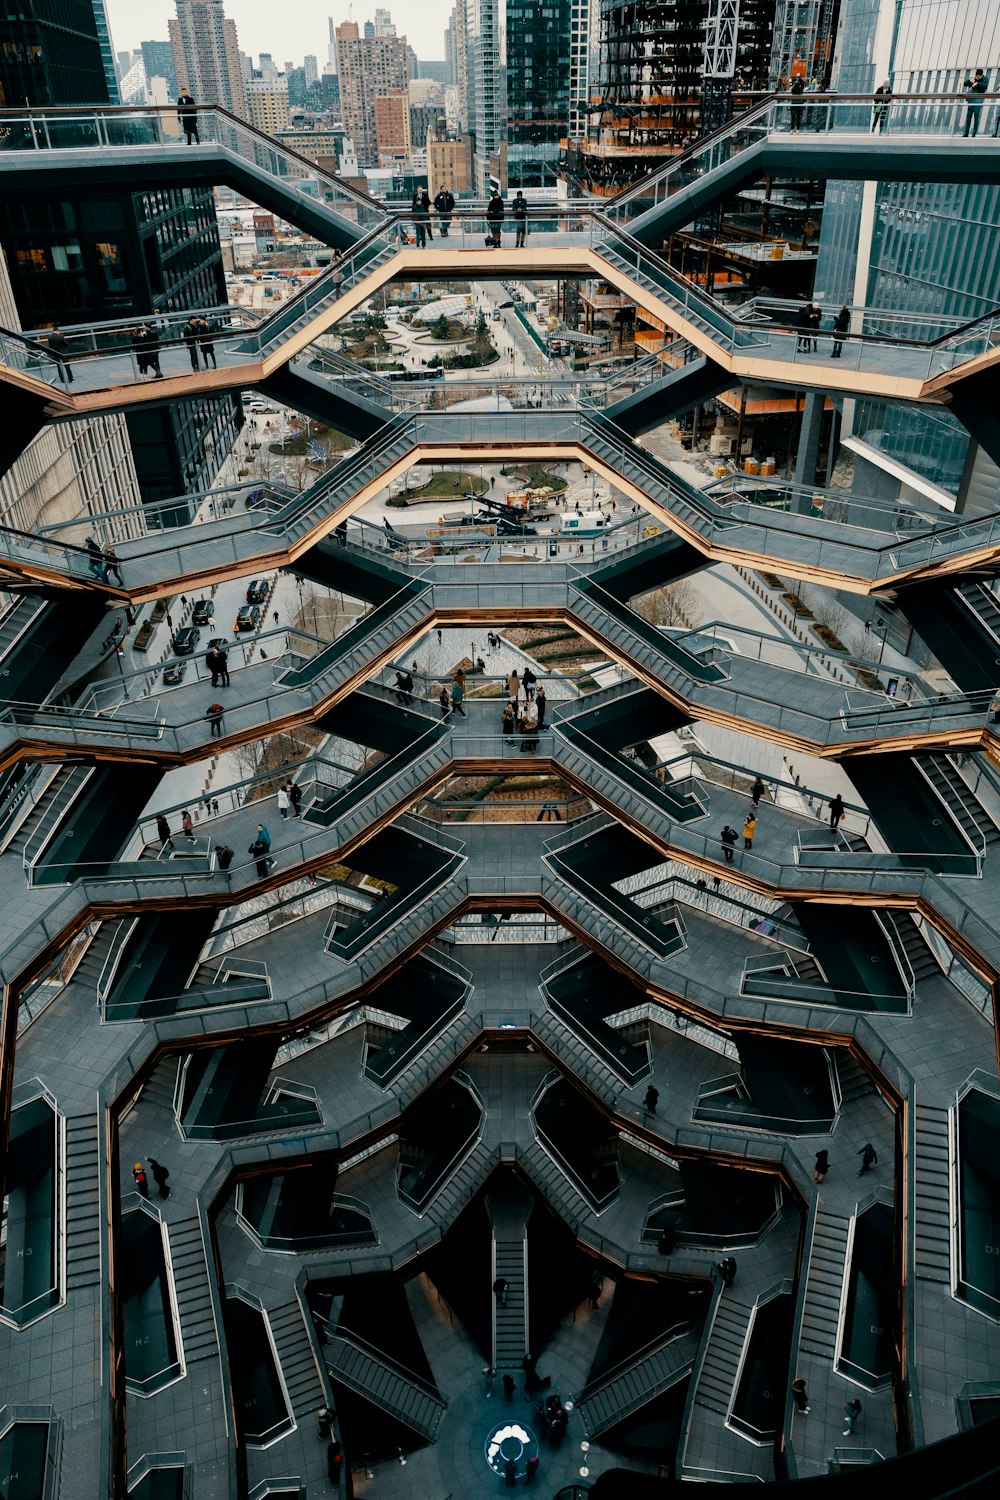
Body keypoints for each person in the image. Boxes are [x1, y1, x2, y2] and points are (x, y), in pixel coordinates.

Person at [963, 69, 988, 137]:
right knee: (968, 117)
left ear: (981, 75)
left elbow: (985, 86)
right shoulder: (974, 79)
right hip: (971, 101)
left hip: (978, 101)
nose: (977, 78)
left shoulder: (985, 79)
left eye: (978, 77)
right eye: (976, 76)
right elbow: (965, 83)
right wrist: (970, 81)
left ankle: (974, 133)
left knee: (976, 118)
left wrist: (977, 83)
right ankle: (966, 133)